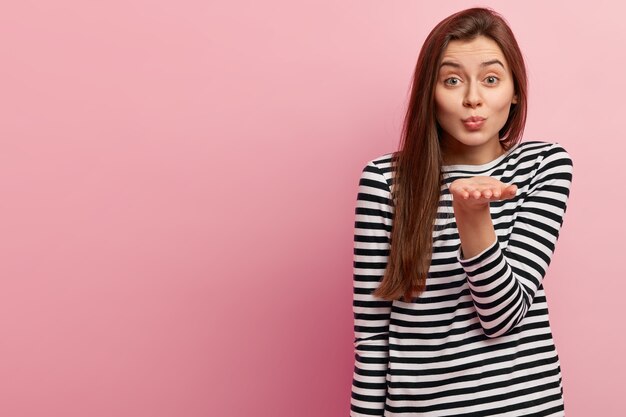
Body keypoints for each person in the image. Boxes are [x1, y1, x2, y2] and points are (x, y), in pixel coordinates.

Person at [350, 7, 573, 417]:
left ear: (515, 91)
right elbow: (371, 337)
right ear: (429, 93)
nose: (473, 98)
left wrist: (472, 216)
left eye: (491, 79)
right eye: (452, 80)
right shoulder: (385, 180)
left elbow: (502, 317)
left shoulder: (545, 165)